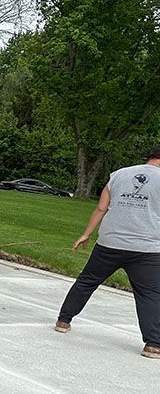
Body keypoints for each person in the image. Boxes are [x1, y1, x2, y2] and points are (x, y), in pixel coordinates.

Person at [56, 147, 160, 358]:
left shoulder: (119, 174)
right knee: (149, 294)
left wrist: (86, 234)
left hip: (110, 243)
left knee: (87, 281)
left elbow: (102, 208)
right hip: (147, 248)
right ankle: (153, 345)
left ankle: (63, 321)